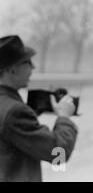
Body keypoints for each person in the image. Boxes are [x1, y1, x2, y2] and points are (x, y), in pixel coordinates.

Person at [0, 35, 78, 182]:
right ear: (11, 70)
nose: (33, 67)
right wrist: (64, 118)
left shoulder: (11, 108)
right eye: (27, 62)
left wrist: (30, 114)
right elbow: (58, 156)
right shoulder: (15, 112)